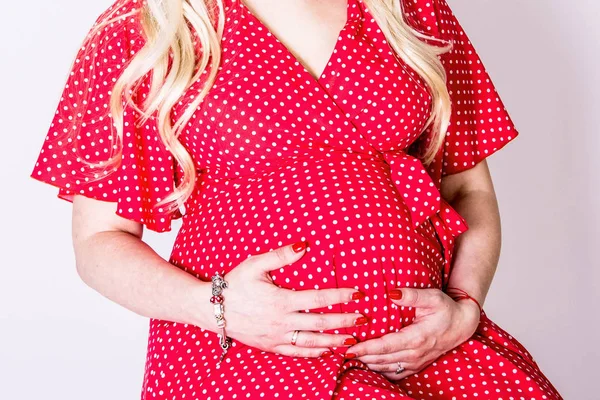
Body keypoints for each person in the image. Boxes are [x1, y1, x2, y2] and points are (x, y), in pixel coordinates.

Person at [29, 0, 563, 398]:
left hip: (427, 352)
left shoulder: (412, 10)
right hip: (249, 358)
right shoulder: (149, 25)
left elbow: (469, 190)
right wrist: (214, 307)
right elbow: (99, 242)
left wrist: (464, 308)